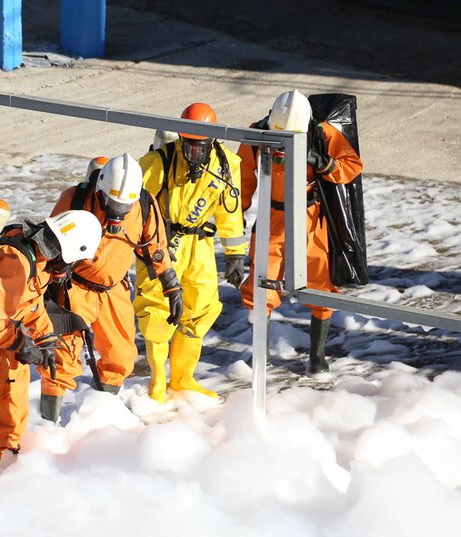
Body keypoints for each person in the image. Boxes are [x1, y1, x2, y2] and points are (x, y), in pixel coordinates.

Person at [39, 153, 181, 423]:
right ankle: (48, 427)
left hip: (113, 289)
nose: (117, 211)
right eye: (112, 203)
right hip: (73, 288)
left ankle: (99, 416)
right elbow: (48, 246)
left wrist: (171, 285)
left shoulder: (144, 204)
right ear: (101, 189)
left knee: (122, 357)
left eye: (123, 206)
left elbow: (157, 246)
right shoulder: (75, 200)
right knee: (60, 361)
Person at [0, 206, 103, 466]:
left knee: (10, 415)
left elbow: (31, 302)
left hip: (1, 339)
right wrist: (22, 345)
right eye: (72, 262)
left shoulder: (38, 255)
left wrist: (45, 338)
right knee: (3, 422)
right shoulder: (16, 262)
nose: (68, 270)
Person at [237, 89, 364, 373]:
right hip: (272, 218)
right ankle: (261, 352)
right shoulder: (257, 135)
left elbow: (352, 165)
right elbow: (243, 180)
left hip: (310, 219)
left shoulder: (323, 134)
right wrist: (237, 218)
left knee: (321, 284)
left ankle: (317, 356)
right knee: (260, 284)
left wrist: (322, 162)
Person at [134, 103, 246, 403]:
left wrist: (235, 254)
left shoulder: (226, 165)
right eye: (188, 146)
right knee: (157, 309)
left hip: (198, 245)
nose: (193, 154)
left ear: (211, 142)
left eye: (200, 147)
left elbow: (229, 212)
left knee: (202, 307)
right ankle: (158, 380)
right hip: (159, 242)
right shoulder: (157, 163)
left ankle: (183, 377)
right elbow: (134, 208)